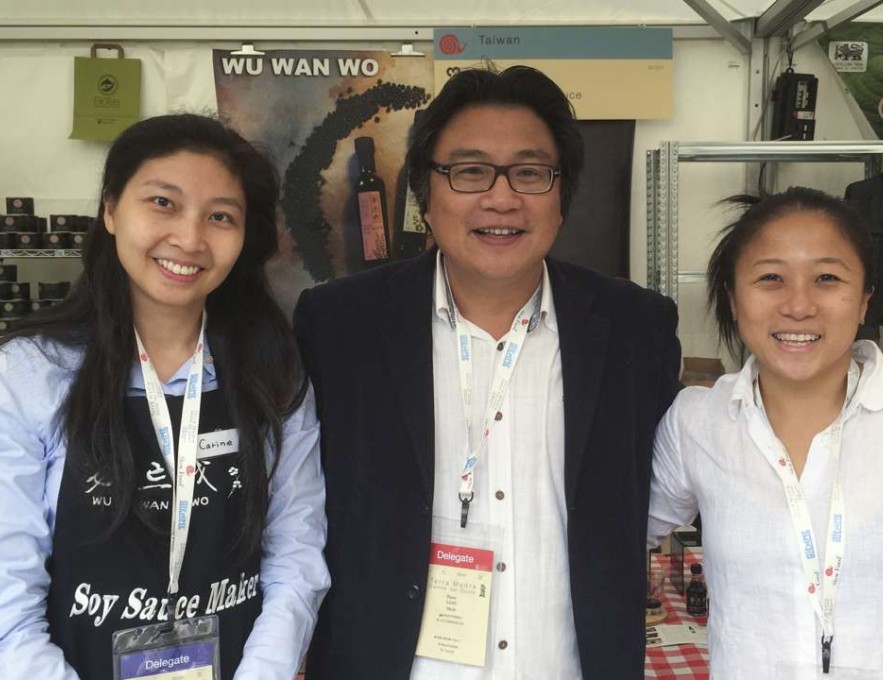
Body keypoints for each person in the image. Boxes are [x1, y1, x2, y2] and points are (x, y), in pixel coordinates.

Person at [296, 65, 681, 679]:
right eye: (470, 170)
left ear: (562, 194)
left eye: (530, 172)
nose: (501, 198)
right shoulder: (339, 326)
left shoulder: (637, 328)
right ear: (426, 190)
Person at [0, 114, 329, 679]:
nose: (190, 238)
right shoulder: (30, 374)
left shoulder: (272, 372)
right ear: (110, 210)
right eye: (163, 203)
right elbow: (8, 599)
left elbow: (296, 556)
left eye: (220, 216)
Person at [648, 186, 883, 679]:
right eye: (770, 278)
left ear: (866, 299)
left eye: (827, 278)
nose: (799, 305)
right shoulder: (697, 423)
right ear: (734, 299)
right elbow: (611, 533)